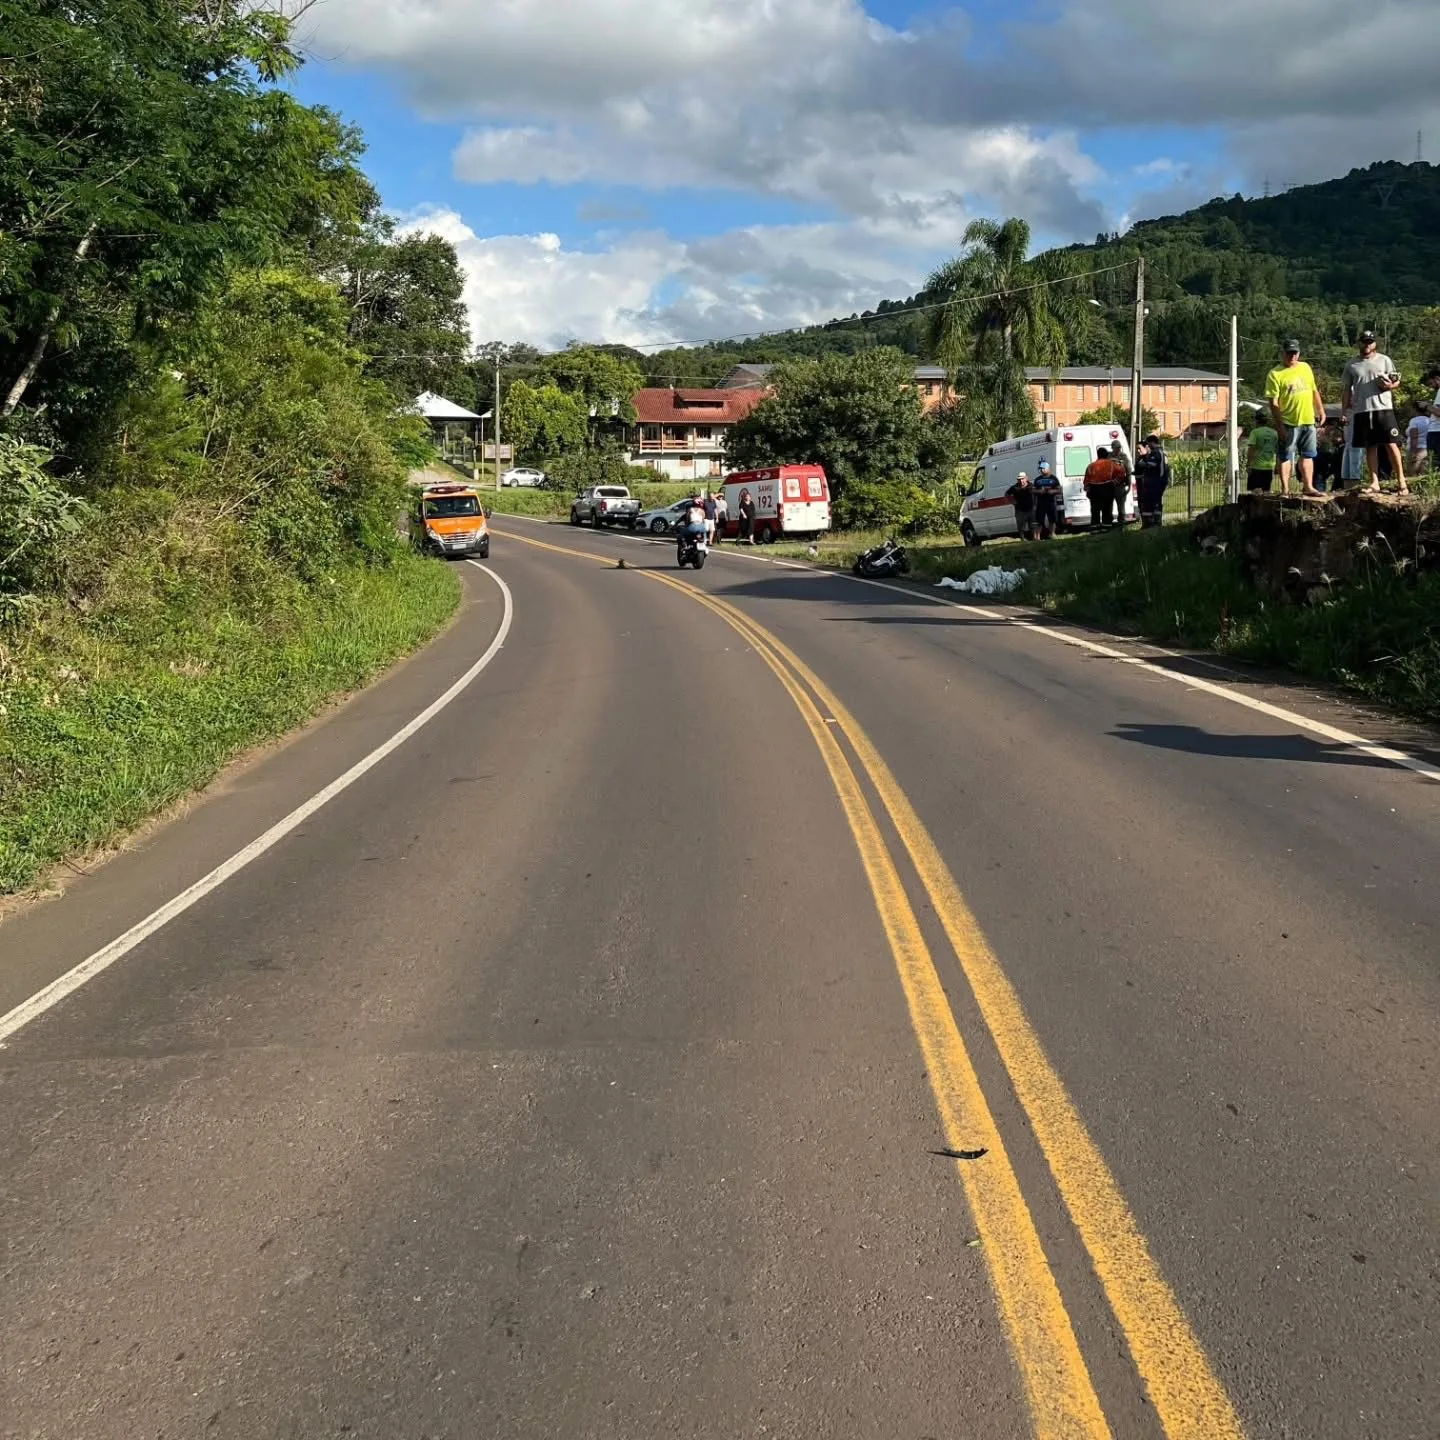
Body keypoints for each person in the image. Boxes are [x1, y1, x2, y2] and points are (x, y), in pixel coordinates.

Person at [1340, 329, 1408, 495]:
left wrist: (1390, 386)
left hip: (1383, 408)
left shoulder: (1384, 360)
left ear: (1374, 343)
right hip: (1362, 410)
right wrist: (1344, 411)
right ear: (1359, 343)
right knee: (1370, 446)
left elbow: (1396, 381)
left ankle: (1402, 482)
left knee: (1391, 444)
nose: (1367, 344)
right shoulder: (1351, 364)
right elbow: (1346, 390)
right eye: (1364, 341)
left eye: (1370, 341)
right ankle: (1374, 482)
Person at [1265, 339, 1326, 496]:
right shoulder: (1275, 373)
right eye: (1289, 353)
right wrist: (1279, 425)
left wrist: (1320, 409)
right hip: (1288, 422)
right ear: (1283, 353)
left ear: (1298, 353)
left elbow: (1313, 390)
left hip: (1308, 419)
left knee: (1308, 454)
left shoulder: (1305, 367)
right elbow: (1273, 402)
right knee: (1285, 456)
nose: (1292, 356)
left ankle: (1309, 486)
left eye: (1295, 353)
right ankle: (1285, 489)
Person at [1083, 447, 1126, 528]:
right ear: (1106, 455)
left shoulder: (1091, 466)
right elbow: (1122, 471)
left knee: (1095, 509)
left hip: (1094, 489)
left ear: (1098, 455)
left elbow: (1086, 480)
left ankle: (1095, 526)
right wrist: (1116, 481)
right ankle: (1106, 525)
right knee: (1106, 508)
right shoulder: (1111, 464)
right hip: (1107, 487)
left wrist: (1087, 489)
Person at [1134, 434, 1171, 527]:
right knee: (1157, 503)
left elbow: (1150, 465)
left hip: (1155, 482)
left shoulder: (1156, 452)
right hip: (1161, 481)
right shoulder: (1162, 452)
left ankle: (1148, 523)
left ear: (1152, 442)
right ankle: (1157, 522)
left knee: (1148, 503)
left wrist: (1140, 465)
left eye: (1148, 443)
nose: (1148, 446)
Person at [1244, 417, 1280, 492]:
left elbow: (1251, 449)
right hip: (1269, 467)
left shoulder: (1255, 432)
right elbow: (1278, 450)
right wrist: (1277, 464)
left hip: (1256, 467)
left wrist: (1248, 464)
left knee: (1255, 491)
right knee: (1266, 491)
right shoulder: (1274, 433)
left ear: (1257, 422)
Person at [1032, 459, 1062, 539]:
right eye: (1040, 469)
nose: (1042, 470)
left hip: (1051, 502)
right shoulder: (1037, 479)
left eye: (1043, 468)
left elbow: (1059, 490)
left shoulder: (1054, 478)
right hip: (1041, 503)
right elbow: (1033, 490)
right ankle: (1037, 537)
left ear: (1048, 468)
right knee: (1039, 520)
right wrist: (1039, 491)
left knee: (1052, 519)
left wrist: (1052, 491)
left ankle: (1052, 533)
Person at [1006, 471, 1036, 540]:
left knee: (1033, 525)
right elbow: (1006, 494)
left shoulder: (1031, 486)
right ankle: (1022, 538)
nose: (1021, 481)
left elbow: (1036, 495)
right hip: (1020, 510)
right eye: (1019, 479)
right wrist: (1012, 501)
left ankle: (1034, 538)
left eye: (1022, 479)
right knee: (1021, 526)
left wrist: (1035, 504)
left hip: (1030, 509)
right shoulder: (1015, 487)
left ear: (1026, 478)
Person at [1405, 404, 1430, 472]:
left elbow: (1414, 437)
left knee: (1412, 474)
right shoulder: (1430, 420)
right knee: (1424, 475)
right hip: (1427, 450)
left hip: (1416, 450)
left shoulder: (1414, 421)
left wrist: (1413, 453)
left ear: (1415, 410)